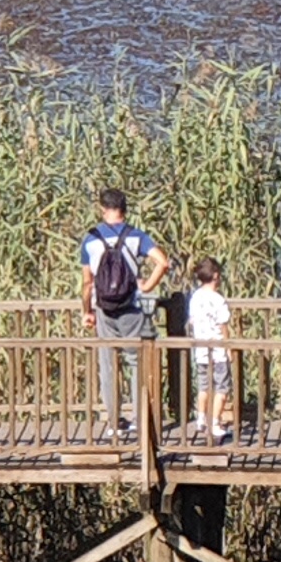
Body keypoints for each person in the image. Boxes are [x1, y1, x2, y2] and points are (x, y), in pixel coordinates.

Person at [80, 187, 170, 436]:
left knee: (108, 365)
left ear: (102, 209)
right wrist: (147, 285)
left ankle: (113, 423)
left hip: (104, 310)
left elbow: (87, 283)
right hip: (131, 307)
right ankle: (140, 420)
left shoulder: (90, 239)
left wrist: (87, 311)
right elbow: (163, 262)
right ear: (125, 209)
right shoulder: (136, 236)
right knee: (136, 362)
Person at [183, 257, 237, 442]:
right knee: (222, 387)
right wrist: (228, 348)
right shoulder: (218, 300)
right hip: (218, 349)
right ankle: (215, 422)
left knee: (204, 385)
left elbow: (192, 321)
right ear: (216, 276)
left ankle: (200, 419)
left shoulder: (195, 297)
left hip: (201, 349)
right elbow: (223, 326)